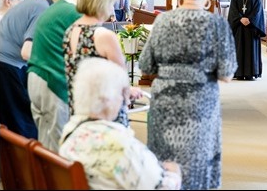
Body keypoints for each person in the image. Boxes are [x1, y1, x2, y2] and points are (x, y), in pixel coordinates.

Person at [139, 0, 238, 190]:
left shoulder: (162, 20)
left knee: (165, 162)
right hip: (200, 103)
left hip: (165, 103)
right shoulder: (216, 24)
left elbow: (145, 66)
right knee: (198, 162)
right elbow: (227, 74)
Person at [59, 57, 182, 190]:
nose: (126, 102)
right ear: (107, 99)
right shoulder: (119, 145)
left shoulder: (70, 131)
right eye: (122, 94)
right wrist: (174, 174)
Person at [63, 0, 140, 129]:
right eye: (111, 3)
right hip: (103, 114)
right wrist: (128, 94)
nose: (112, 9)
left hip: (78, 110)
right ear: (102, 3)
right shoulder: (104, 36)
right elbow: (122, 81)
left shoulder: (70, 30)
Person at [27, 0, 82, 152]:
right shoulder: (75, 14)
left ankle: (44, 176)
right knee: (59, 142)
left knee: (45, 138)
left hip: (36, 76)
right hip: (53, 81)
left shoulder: (55, 8)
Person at [0, 0, 48, 138]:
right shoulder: (41, 7)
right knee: (22, 124)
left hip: (7, 64)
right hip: (8, 65)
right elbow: (27, 52)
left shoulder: (25, 7)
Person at [227, 0, 266, 80]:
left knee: (251, 50)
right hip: (239, 26)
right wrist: (240, 19)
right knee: (239, 49)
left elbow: (258, 9)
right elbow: (233, 9)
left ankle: (251, 73)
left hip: (251, 27)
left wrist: (250, 19)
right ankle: (239, 73)